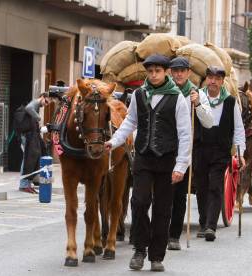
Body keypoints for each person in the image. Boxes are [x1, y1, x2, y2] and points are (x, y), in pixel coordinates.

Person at [103, 54, 191, 272]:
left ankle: (157, 256)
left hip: (167, 160)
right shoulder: (140, 94)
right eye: (150, 71)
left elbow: (185, 134)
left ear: (166, 73)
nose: (153, 75)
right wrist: (114, 142)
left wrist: (181, 166)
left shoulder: (177, 98)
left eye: (158, 71)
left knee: (162, 208)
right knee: (139, 201)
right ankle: (139, 250)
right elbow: (130, 122)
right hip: (143, 156)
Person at [194, 65, 245, 242]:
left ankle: (210, 226)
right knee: (201, 186)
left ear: (222, 82)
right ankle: (202, 223)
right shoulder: (198, 97)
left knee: (215, 186)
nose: (213, 81)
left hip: (220, 149)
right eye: (210, 77)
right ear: (206, 79)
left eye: (217, 78)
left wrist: (241, 153)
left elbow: (238, 129)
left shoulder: (230, 101)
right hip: (201, 147)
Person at [167, 57, 214, 251]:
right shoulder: (163, 90)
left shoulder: (197, 93)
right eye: (175, 70)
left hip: (184, 149)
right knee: (159, 193)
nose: (178, 73)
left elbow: (209, 122)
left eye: (182, 70)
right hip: (163, 147)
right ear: (170, 72)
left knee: (179, 193)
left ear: (188, 73)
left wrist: (198, 105)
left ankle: (174, 235)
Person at [19, 92, 50, 193]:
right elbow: (28, 108)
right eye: (46, 101)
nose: (45, 104)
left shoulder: (37, 105)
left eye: (47, 104)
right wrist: (39, 118)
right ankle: (23, 184)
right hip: (27, 137)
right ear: (42, 97)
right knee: (27, 159)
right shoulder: (35, 103)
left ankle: (27, 184)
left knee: (31, 159)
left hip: (30, 136)